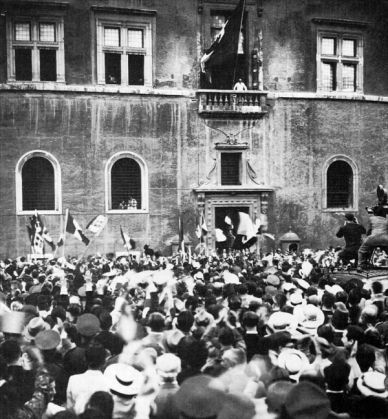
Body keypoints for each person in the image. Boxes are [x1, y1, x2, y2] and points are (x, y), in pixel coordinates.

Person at [358, 205, 388, 270]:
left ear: (374, 212)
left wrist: (367, 237)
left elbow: (368, 230)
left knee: (361, 251)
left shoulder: (371, 219)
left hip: (373, 238)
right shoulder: (386, 220)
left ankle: (360, 265)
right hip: (385, 238)